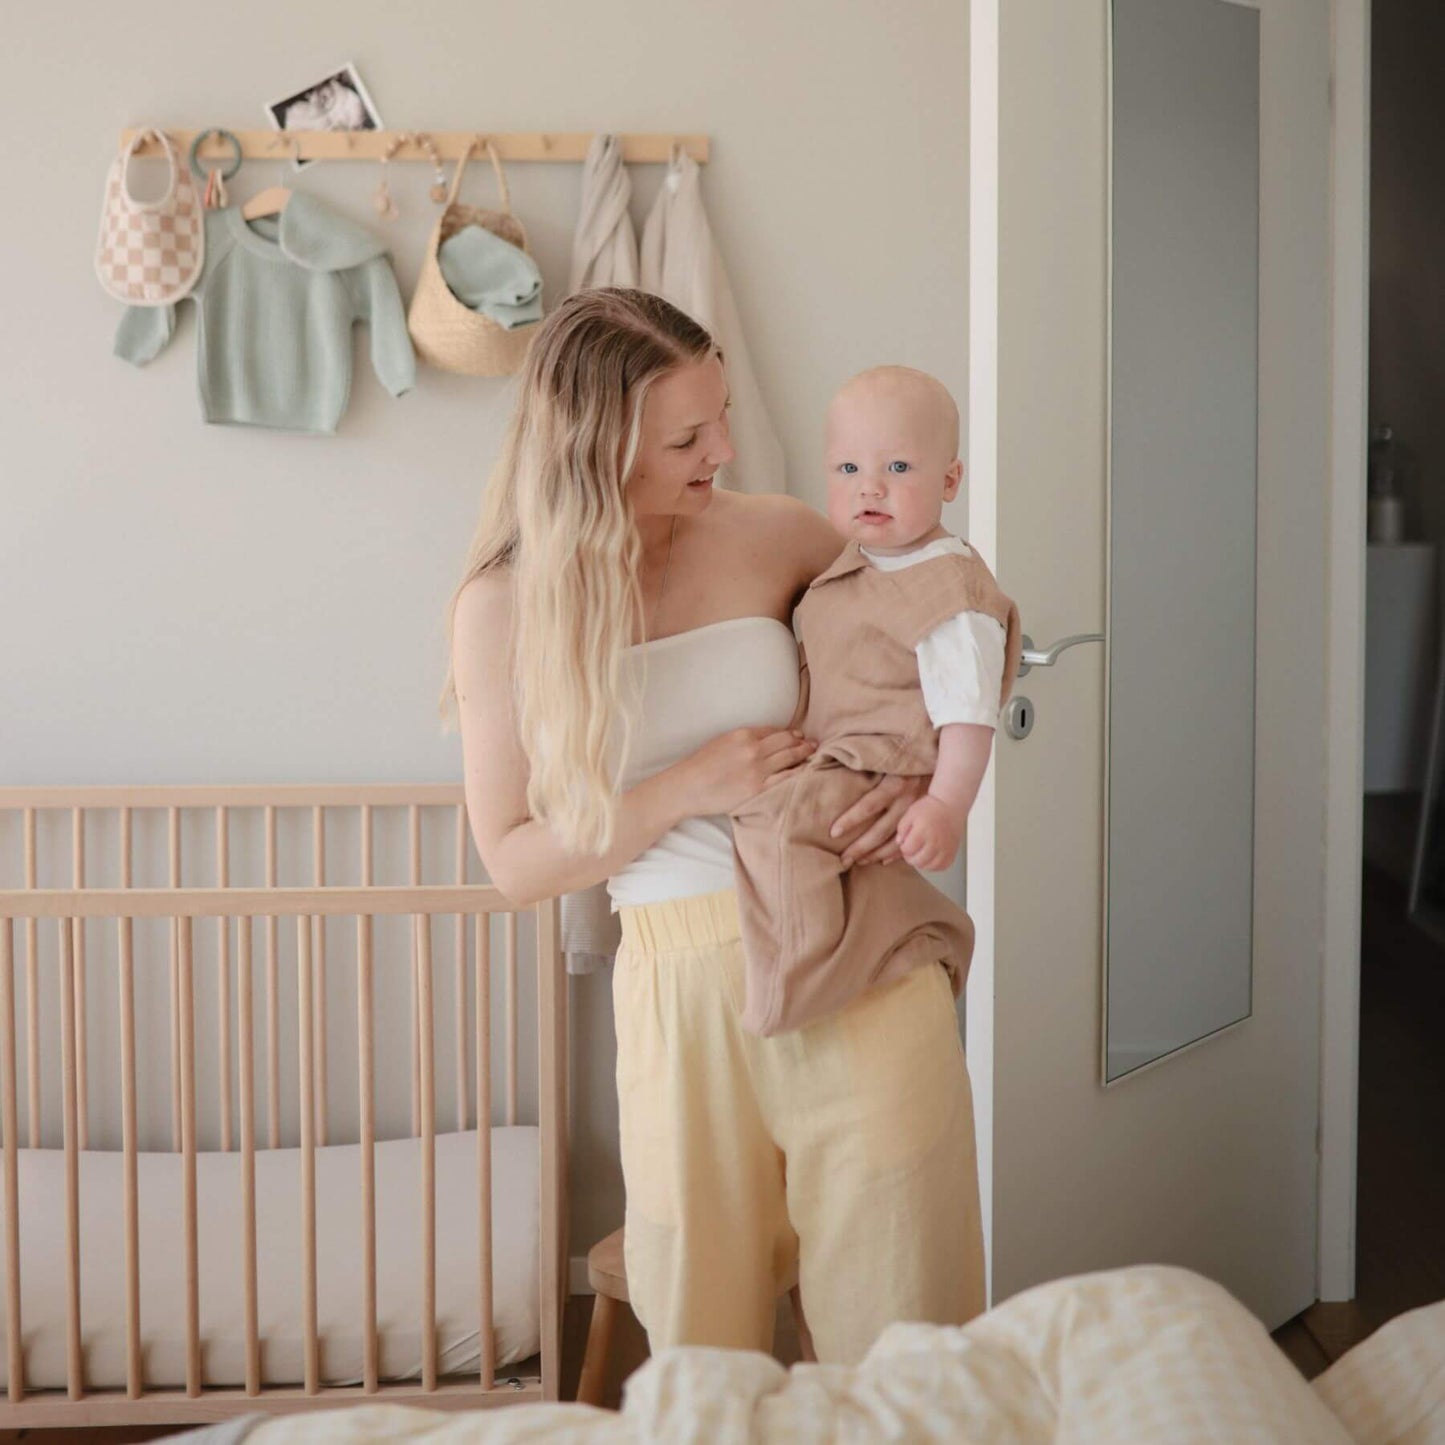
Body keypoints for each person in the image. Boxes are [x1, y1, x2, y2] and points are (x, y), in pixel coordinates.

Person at [442, 288, 985, 1367]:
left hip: (851, 942)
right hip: (679, 987)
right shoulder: (504, 606)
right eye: (688, 435)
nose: (725, 448)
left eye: (720, 415)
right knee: (706, 1340)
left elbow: (937, 634)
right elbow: (512, 860)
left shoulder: (779, 532)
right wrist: (684, 785)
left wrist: (923, 780)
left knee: (906, 1327)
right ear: (598, 441)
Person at [729, 366, 1023, 1037]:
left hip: (879, 762)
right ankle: (848, 941)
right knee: (776, 822)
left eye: (897, 465)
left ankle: (800, 981)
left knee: (775, 825)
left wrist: (945, 805)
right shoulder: (854, 561)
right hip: (834, 754)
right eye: (847, 466)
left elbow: (967, 717)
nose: (869, 485)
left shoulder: (948, 591)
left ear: (949, 481)